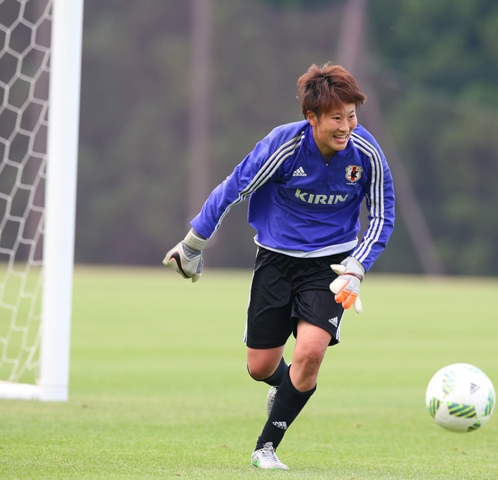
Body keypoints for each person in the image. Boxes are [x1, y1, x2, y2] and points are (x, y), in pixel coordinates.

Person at [163, 62, 395, 470]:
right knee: (260, 367)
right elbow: (234, 188)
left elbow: (382, 215)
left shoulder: (367, 153)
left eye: (352, 116)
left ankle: (265, 448)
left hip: (331, 267)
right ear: (312, 117)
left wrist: (357, 267)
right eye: (336, 118)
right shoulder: (284, 147)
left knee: (311, 352)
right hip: (275, 260)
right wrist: (193, 245)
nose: (346, 127)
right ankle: (286, 386)